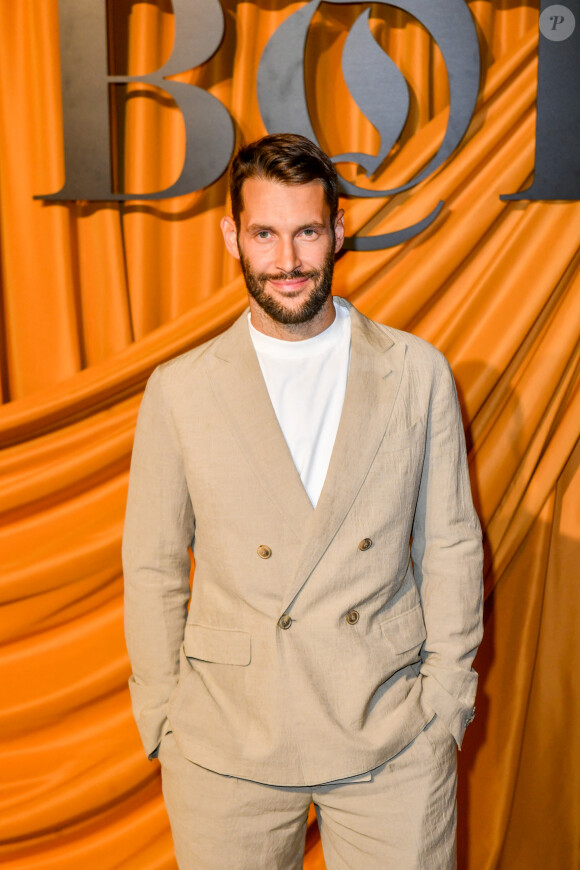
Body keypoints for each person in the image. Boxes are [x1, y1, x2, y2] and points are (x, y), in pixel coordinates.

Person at [122, 133, 483, 870]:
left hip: (390, 732)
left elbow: (450, 544)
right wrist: (164, 717)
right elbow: (152, 565)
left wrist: (445, 704)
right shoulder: (181, 389)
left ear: (338, 231)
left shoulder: (416, 373)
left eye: (307, 232)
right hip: (227, 739)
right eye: (265, 233)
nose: (287, 260)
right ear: (233, 237)